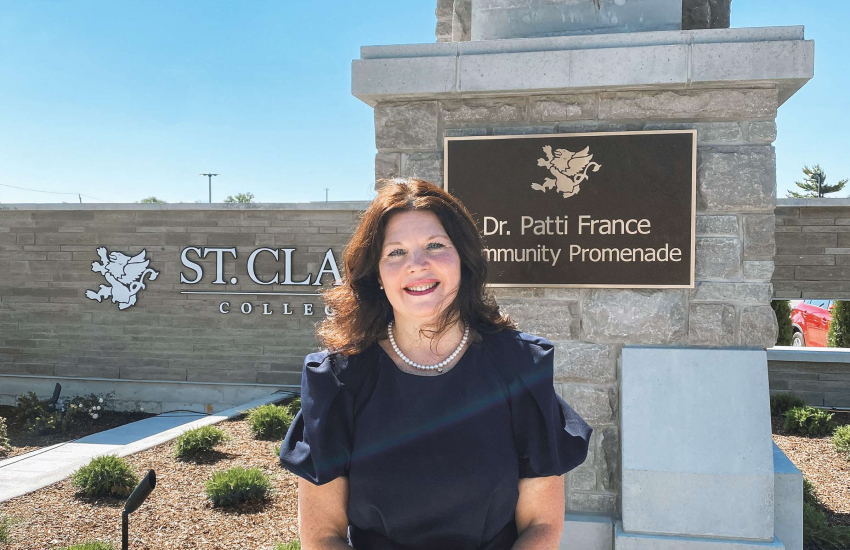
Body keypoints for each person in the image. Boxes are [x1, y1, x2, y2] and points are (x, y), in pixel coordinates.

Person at [279, 178, 592, 550]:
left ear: (463, 259)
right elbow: (322, 536)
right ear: (376, 275)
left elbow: (541, 525)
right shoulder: (338, 381)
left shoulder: (519, 367)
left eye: (435, 245)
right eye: (395, 252)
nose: (417, 264)